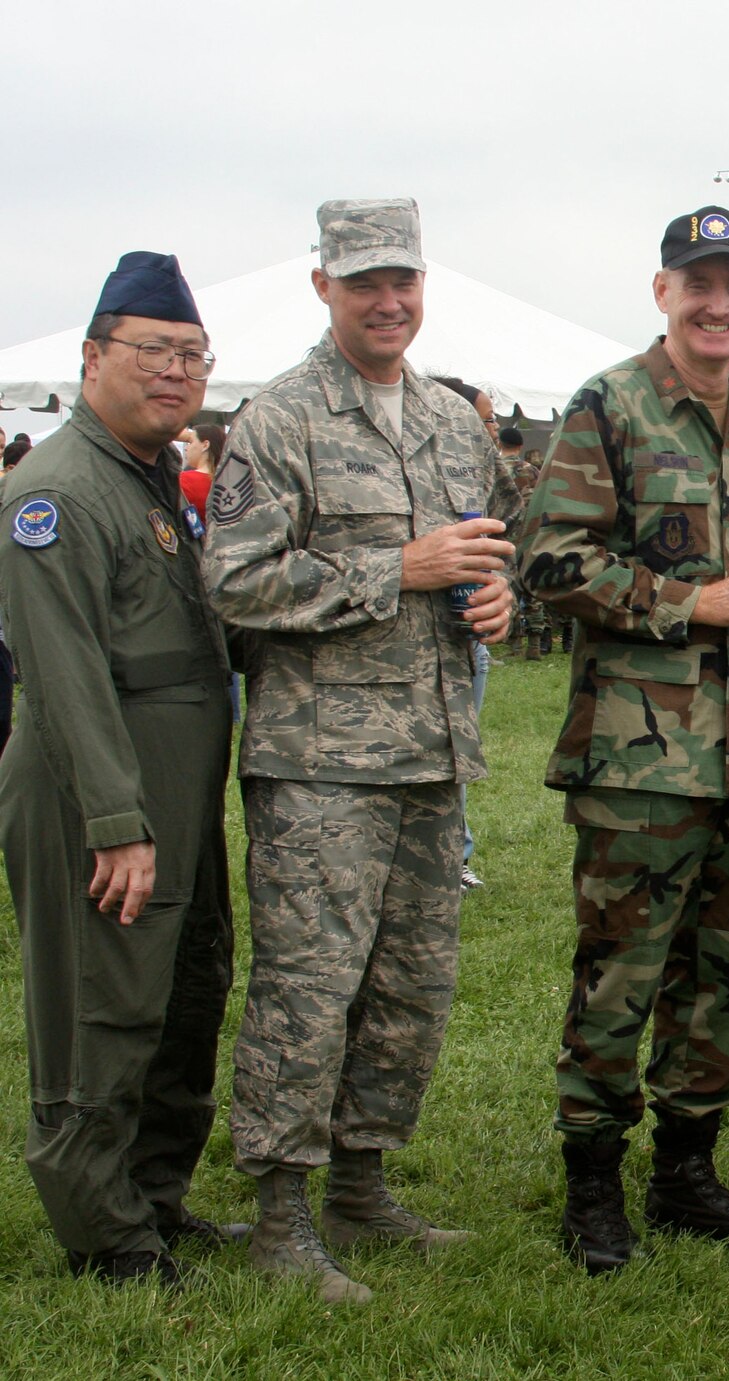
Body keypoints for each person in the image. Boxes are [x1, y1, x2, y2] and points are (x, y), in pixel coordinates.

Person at [204, 199, 518, 1305]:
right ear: (323, 287)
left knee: (408, 988)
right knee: (308, 985)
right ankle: (279, 1215)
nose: (389, 302)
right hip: (319, 763)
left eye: (404, 281)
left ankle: (362, 1184)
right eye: (364, 283)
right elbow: (234, 581)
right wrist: (400, 568)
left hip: (432, 754)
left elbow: (490, 546)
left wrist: (495, 598)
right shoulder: (279, 419)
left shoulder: (450, 418)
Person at [518, 206, 729, 1276]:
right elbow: (548, 564)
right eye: (699, 283)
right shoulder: (610, 405)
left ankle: (687, 1174)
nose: (717, 302)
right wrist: (697, 601)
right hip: (640, 760)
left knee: (724, 972)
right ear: (663, 293)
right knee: (621, 970)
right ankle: (592, 1186)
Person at [0, 252, 234, 1286]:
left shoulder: (144, 477)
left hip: (171, 797)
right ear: (93, 356)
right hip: (96, 797)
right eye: (154, 350)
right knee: (102, 1003)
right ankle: (105, 1233)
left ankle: (152, 1197)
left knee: (183, 991)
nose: (176, 371)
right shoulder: (53, 491)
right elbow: (63, 679)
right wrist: (116, 822)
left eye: (191, 353)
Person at [431, 374, 500, 889]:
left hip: (466, 645)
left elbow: (517, 538)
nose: (491, 431)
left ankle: (458, 854)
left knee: (458, 756)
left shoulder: (473, 474)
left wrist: (506, 593)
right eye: (485, 420)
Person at [496, 426, 552, 660]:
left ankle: (515, 644)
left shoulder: (495, 469)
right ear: (520, 446)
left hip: (505, 536)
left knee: (510, 586)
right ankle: (535, 644)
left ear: (500, 444)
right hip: (531, 535)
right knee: (533, 586)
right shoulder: (531, 470)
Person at [180, 422, 226, 523]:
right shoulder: (227, 481)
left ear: (205, 445)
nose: (186, 448)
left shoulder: (184, 480)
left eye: (190, 442)